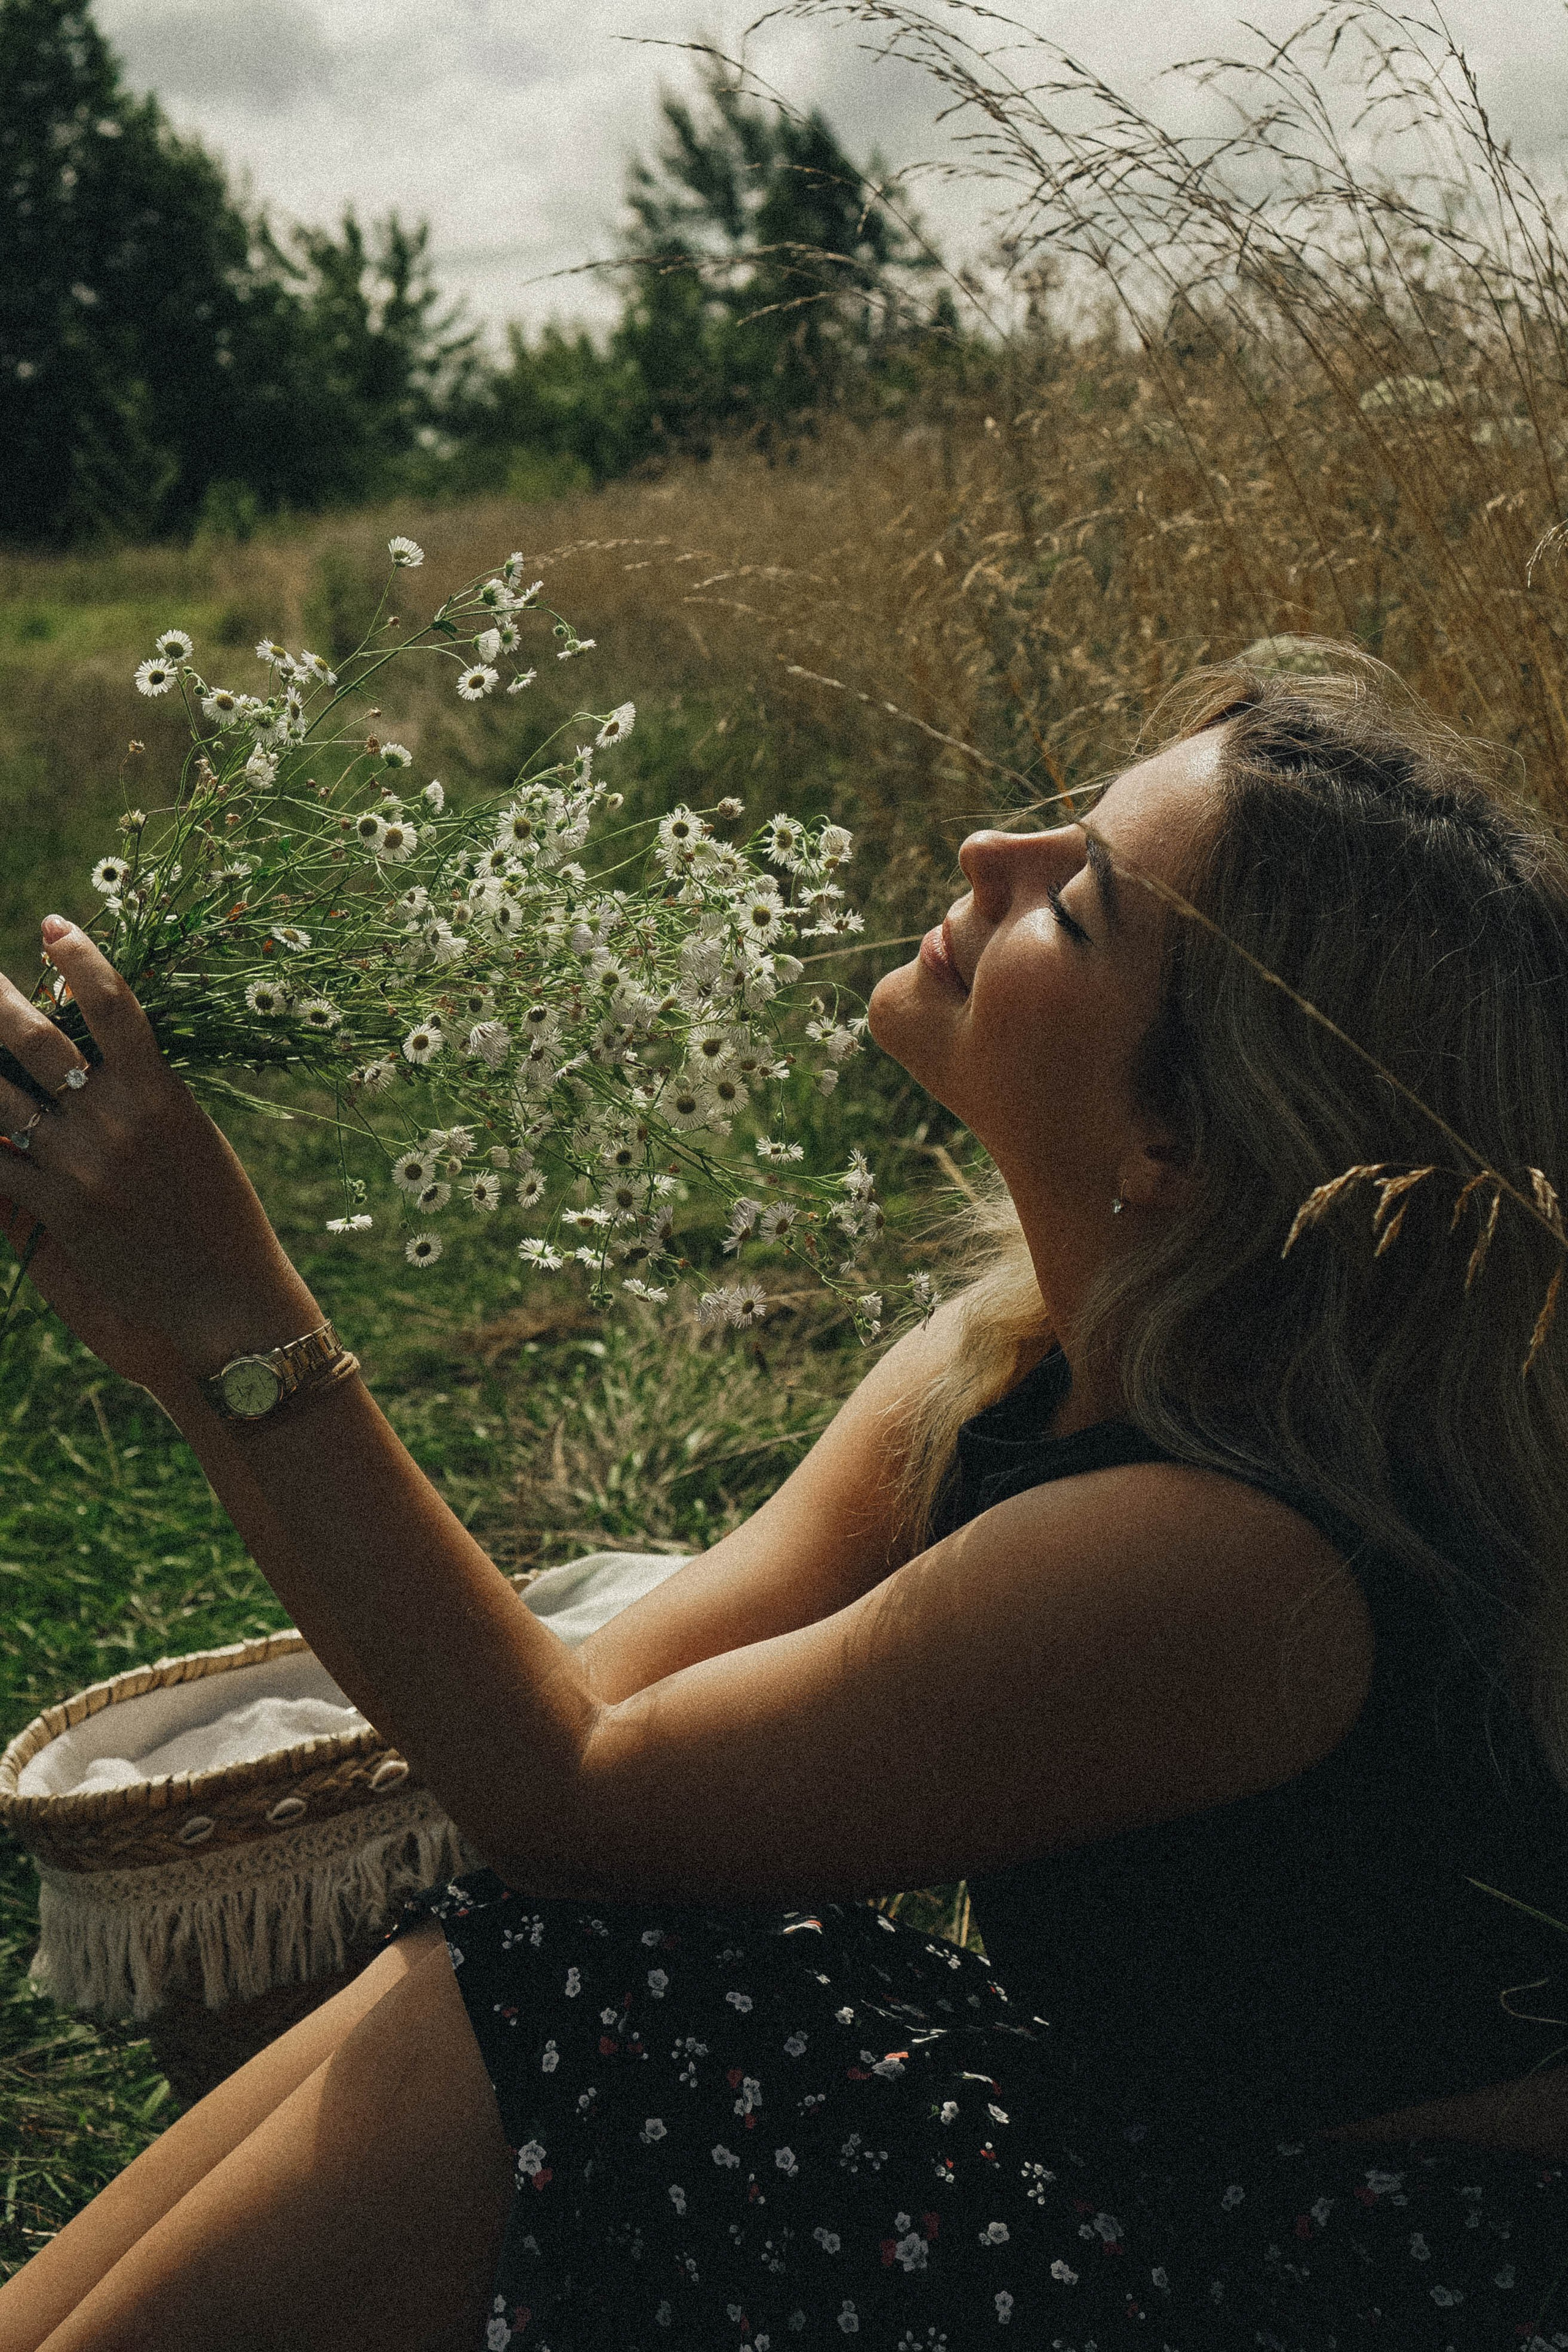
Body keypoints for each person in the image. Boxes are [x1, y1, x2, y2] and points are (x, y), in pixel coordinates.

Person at [1, 660, 1567, 2352]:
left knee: (595, 1998)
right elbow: (594, 1713)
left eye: (1081, 901)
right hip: (1163, 2166)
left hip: (1336, 2279)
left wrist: (235, 1314)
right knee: (551, 1954)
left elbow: (571, 1797)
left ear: (1175, 1138)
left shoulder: (1232, 1557)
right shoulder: (1016, 1356)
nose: (990, 851)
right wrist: (181, 1342)